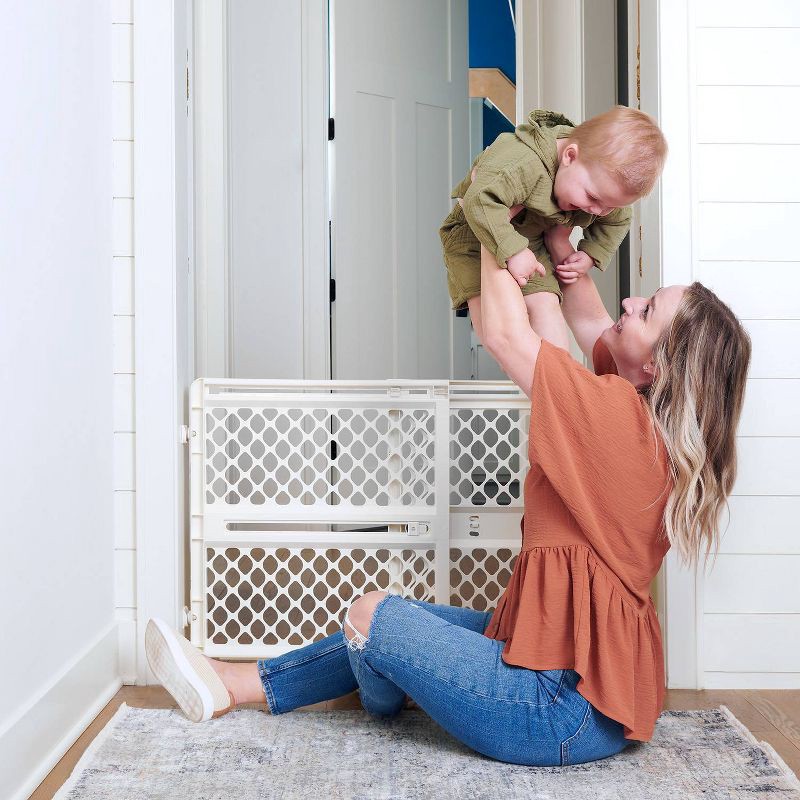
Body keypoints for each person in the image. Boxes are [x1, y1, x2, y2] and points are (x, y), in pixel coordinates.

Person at [145, 217, 750, 766]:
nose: (628, 300)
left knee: (371, 617)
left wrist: (495, 224)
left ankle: (391, 686)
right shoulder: (649, 428)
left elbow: (508, 337)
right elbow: (580, 319)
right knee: (416, 623)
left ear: (659, 369)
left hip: (550, 711)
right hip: (581, 693)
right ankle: (233, 684)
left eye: (646, 312)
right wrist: (556, 246)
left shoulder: (617, 420)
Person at [440, 106, 667, 350]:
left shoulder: (602, 189)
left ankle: (558, 376)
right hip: (474, 234)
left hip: (530, 240)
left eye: (609, 206)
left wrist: (591, 253)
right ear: (569, 156)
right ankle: (528, 369)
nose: (597, 211)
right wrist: (513, 251)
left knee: (546, 306)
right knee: (496, 330)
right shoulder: (523, 163)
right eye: (592, 198)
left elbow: (619, 218)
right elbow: (478, 201)